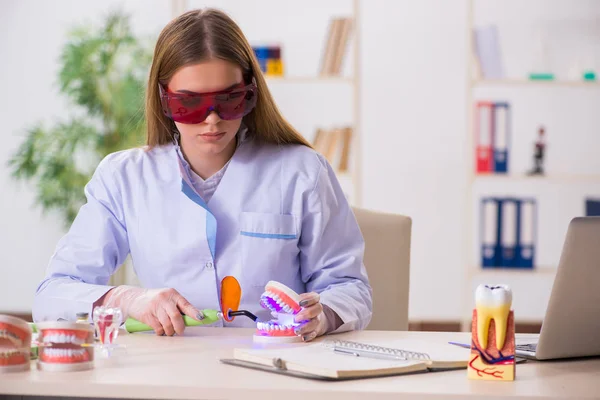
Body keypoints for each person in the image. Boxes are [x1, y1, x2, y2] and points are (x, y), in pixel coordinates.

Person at [32, 8, 372, 342]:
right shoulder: (123, 178)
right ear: (164, 99)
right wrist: (127, 299)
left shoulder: (303, 173)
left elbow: (350, 287)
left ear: (250, 93)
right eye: (190, 104)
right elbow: (53, 294)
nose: (212, 120)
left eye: (229, 100)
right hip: (169, 372)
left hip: (275, 369)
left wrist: (323, 314)